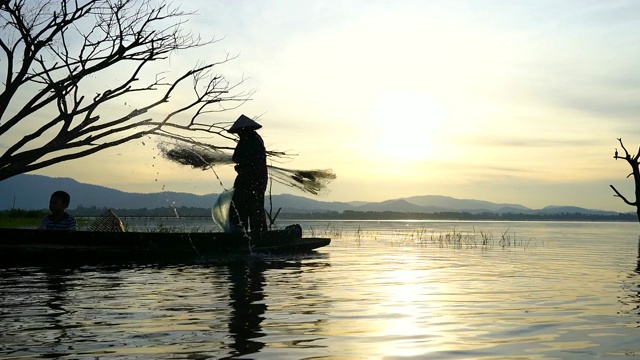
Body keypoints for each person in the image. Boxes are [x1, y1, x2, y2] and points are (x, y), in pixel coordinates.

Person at [227, 114, 268, 238]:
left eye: (240, 131)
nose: (239, 134)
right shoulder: (254, 139)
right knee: (254, 209)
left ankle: (244, 239)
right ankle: (258, 237)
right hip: (256, 179)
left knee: (242, 209)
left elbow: (237, 158)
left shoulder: (249, 140)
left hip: (251, 180)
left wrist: (241, 167)